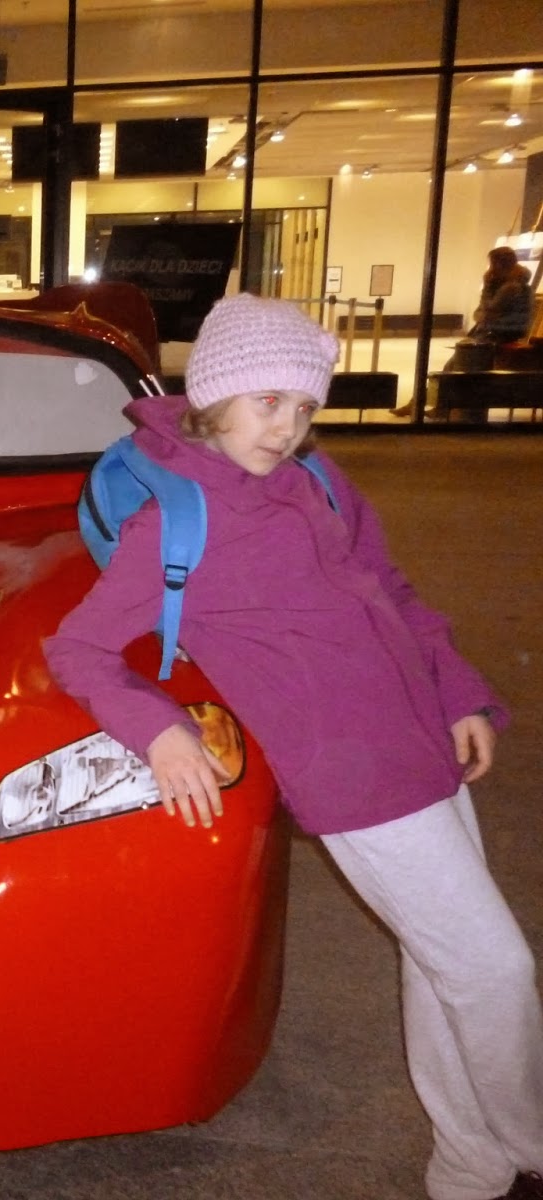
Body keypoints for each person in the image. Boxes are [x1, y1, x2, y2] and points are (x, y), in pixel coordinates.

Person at [43, 293, 543, 1200]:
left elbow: (391, 589)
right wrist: (160, 730)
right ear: (215, 394)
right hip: (355, 778)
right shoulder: (176, 520)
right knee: (494, 968)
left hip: (422, 739)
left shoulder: (317, 479)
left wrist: (459, 689)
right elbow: (78, 649)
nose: (285, 427)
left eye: (304, 406)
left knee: (444, 960)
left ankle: (471, 1161)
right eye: (267, 401)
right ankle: (529, 1137)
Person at [470, 246, 537, 345]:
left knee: (467, 347)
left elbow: (488, 313)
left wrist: (487, 286)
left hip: (503, 333)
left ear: (498, 264)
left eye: (492, 264)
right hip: (509, 331)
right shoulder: (519, 282)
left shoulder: (511, 287)